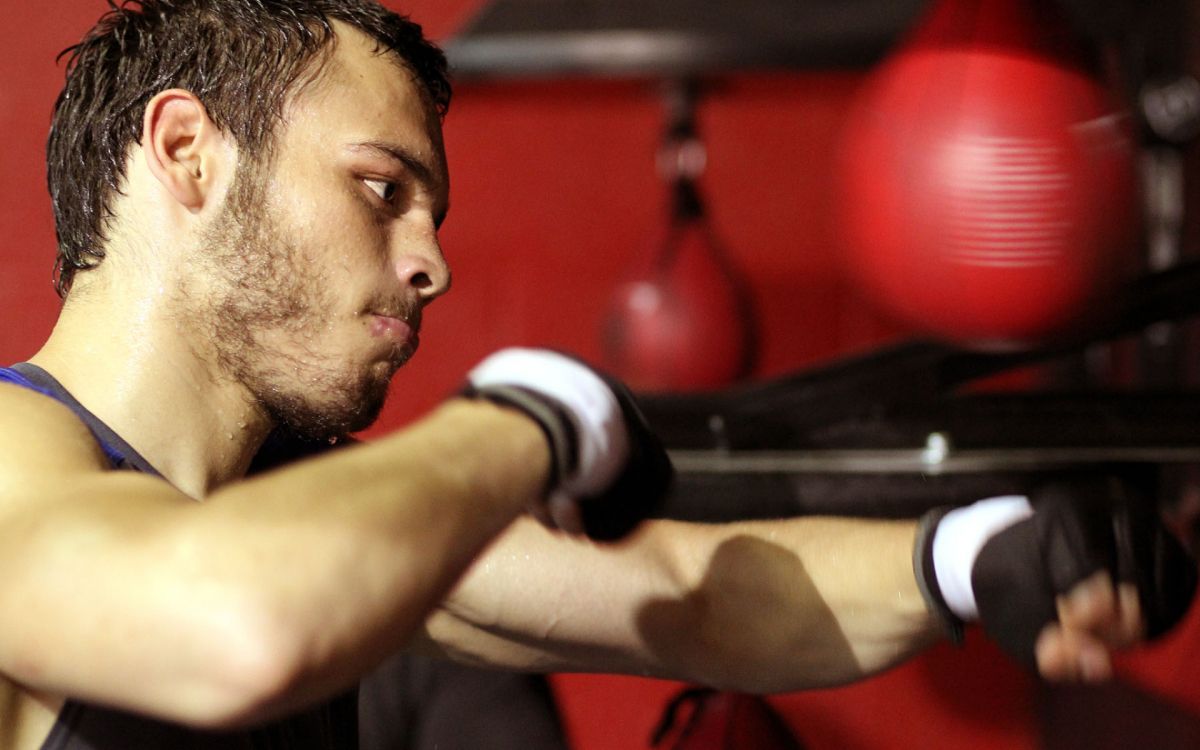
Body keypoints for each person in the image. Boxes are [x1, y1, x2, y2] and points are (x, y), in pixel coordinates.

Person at [0, 1, 1193, 748]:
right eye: (382, 189)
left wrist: (977, 555)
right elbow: (234, 622)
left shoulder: (299, 514)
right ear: (186, 152)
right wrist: (526, 418)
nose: (432, 263)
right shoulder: (16, 457)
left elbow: (698, 596)